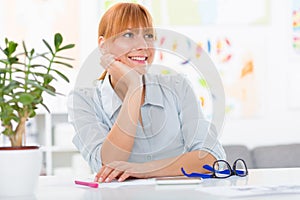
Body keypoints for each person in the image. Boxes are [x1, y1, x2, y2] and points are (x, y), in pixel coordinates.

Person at [68, 2, 225, 183]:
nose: (143, 45)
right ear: (103, 46)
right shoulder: (83, 100)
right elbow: (108, 165)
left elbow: (210, 158)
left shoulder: (177, 86)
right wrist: (134, 88)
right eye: (128, 34)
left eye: (148, 35)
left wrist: (145, 170)